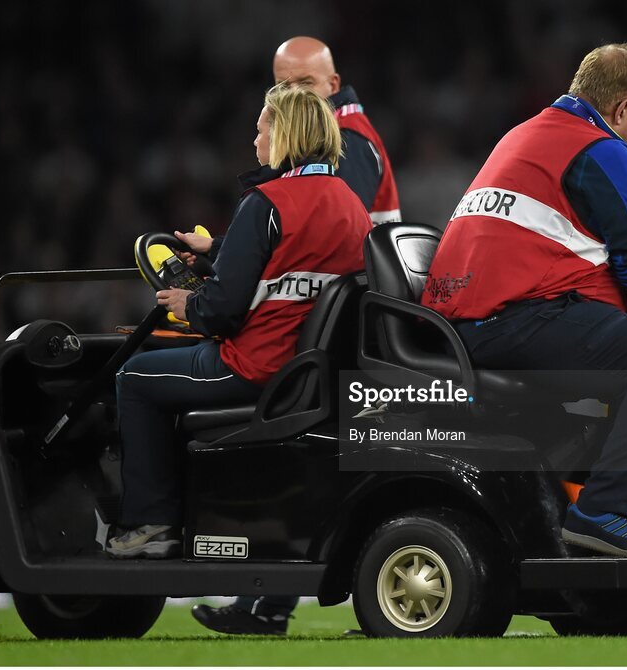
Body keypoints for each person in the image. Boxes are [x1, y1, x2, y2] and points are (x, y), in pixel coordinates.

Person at [421, 43, 627, 559]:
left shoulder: (525, 134)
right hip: (513, 319)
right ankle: (609, 511)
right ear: (622, 109)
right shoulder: (600, 149)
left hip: (460, 322)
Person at [106, 84, 372, 559]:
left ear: (285, 132)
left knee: (135, 377)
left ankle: (151, 523)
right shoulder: (350, 204)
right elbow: (294, 252)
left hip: (254, 366)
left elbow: (221, 313)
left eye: (261, 129)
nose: (255, 141)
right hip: (310, 370)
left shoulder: (266, 202)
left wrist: (188, 304)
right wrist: (219, 249)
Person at [190, 36, 400, 637]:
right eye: (280, 83)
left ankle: (257, 593)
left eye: (302, 85)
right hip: (339, 334)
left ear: (333, 87)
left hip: (322, 341)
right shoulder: (345, 137)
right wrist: (228, 248)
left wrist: (230, 264)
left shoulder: (347, 144)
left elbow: (316, 226)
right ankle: (266, 601)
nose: (288, 95)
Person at [271, 36, 401, 224]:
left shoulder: (345, 137)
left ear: (333, 85)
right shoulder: (318, 134)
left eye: (306, 83)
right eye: (283, 86)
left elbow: (342, 233)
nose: (294, 95)